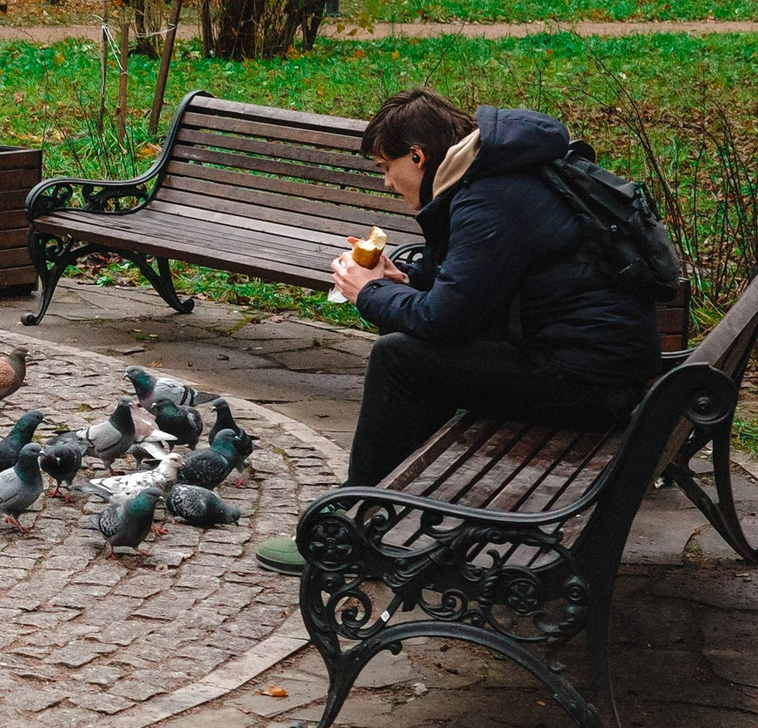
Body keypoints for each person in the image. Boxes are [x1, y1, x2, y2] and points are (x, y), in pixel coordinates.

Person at [256, 88, 662, 572]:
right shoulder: (497, 178)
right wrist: (402, 280)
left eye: (387, 167)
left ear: (418, 156)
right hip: (592, 366)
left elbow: (442, 321)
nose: (387, 182)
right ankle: (387, 502)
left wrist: (368, 293)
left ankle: (354, 529)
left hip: (587, 386)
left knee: (399, 359)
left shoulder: (490, 198)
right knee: (416, 358)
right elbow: (475, 284)